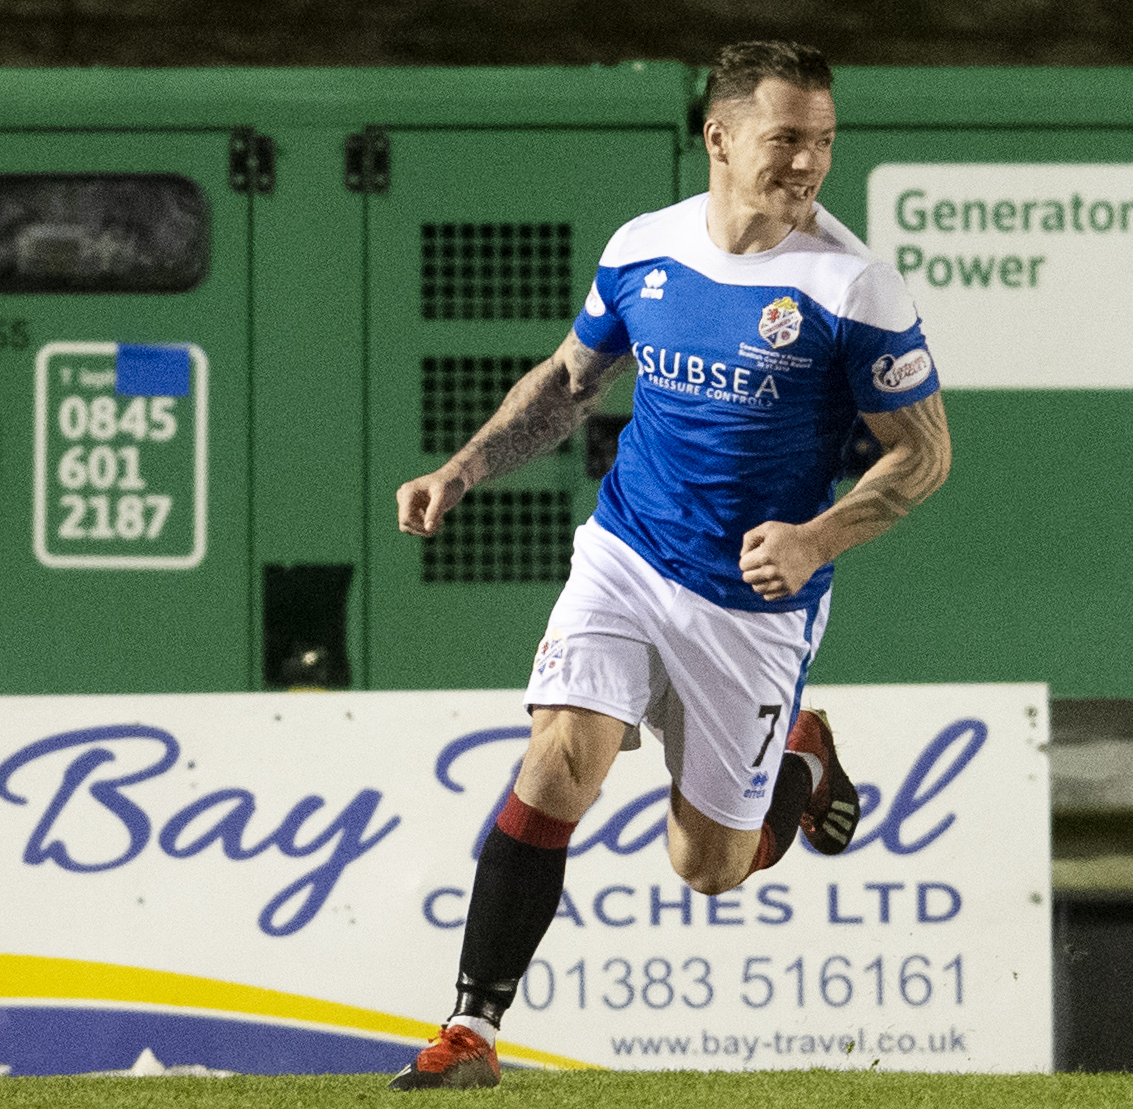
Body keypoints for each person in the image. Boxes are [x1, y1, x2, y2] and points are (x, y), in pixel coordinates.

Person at [388, 39, 951, 1090]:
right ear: (720, 135)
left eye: (823, 141)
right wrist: (460, 470)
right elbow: (566, 384)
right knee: (558, 760)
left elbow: (924, 451)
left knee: (707, 867)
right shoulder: (643, 248)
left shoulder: (851, 285)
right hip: (626, 551)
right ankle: (470, 1029)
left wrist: (815, 538)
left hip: (750, 601)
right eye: (786, 138)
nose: (808, 162)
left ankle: (800, 754)